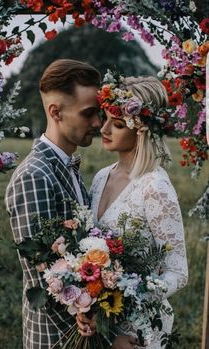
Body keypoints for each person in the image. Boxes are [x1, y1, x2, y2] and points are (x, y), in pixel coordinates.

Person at [78, 72, 188, 349]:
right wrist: (85, 304)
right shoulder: (102, 176)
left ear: (141, 129)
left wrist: (126, 308)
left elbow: (178, 272)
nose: (103, 130)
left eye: (116, 124)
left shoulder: (155, 187)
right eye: (104, 119)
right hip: (99, 324)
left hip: (137, 332)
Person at [5, 59, 105, 349]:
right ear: (55, 112)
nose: (98, 123)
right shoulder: (35, 175)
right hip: (56, 337)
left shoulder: (67, 166)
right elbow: (45, 276)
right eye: (89, 114)